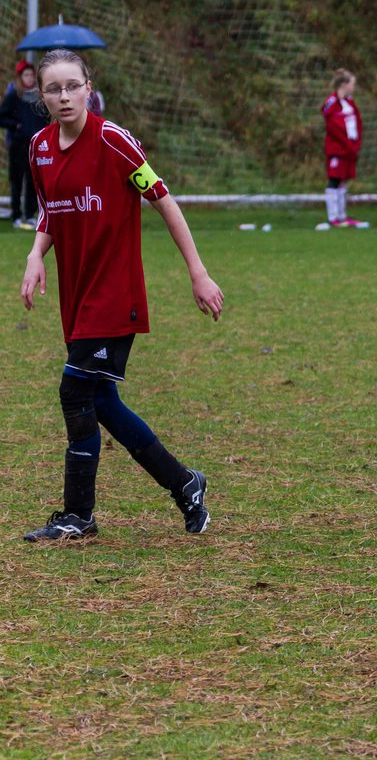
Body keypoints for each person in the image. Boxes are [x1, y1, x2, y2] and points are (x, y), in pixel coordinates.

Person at [18, 48, 224, 542]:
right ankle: (184, 484)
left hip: (115, 292)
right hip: (77, 293)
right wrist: (34, 255)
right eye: (53, 88)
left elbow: (163, 201)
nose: (63, 96)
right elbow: (51, 210)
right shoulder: (39, 148)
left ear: (89, 86)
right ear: (40, 95)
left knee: (74, 391)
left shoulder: (114, 141)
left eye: (72, 85)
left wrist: (198, 272)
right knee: (101, 399)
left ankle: (78, 514)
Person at [0, 61, 43, 230]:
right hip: (18, 145)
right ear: (20, 77)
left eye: (32, 75)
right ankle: (16, 215)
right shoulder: (14, 96)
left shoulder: (40, 97)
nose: (30, 78)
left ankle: (30, 214)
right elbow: (2, 117)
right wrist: (16, 126)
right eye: (26, 75)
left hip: (37, 146)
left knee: (34, 180)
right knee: (16, 179)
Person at [321, 68, 363, 228]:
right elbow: (331, 122)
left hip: (350, 148)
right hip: (338, 149)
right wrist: (346, 143)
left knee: (343, 181)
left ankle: (342, 216)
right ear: (344, 84)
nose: (353, 87)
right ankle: (333, 218)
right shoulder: (332, 103)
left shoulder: (349, 102)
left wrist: (355, 143)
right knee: (334, 179)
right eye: (352, 84)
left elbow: (357, 123)